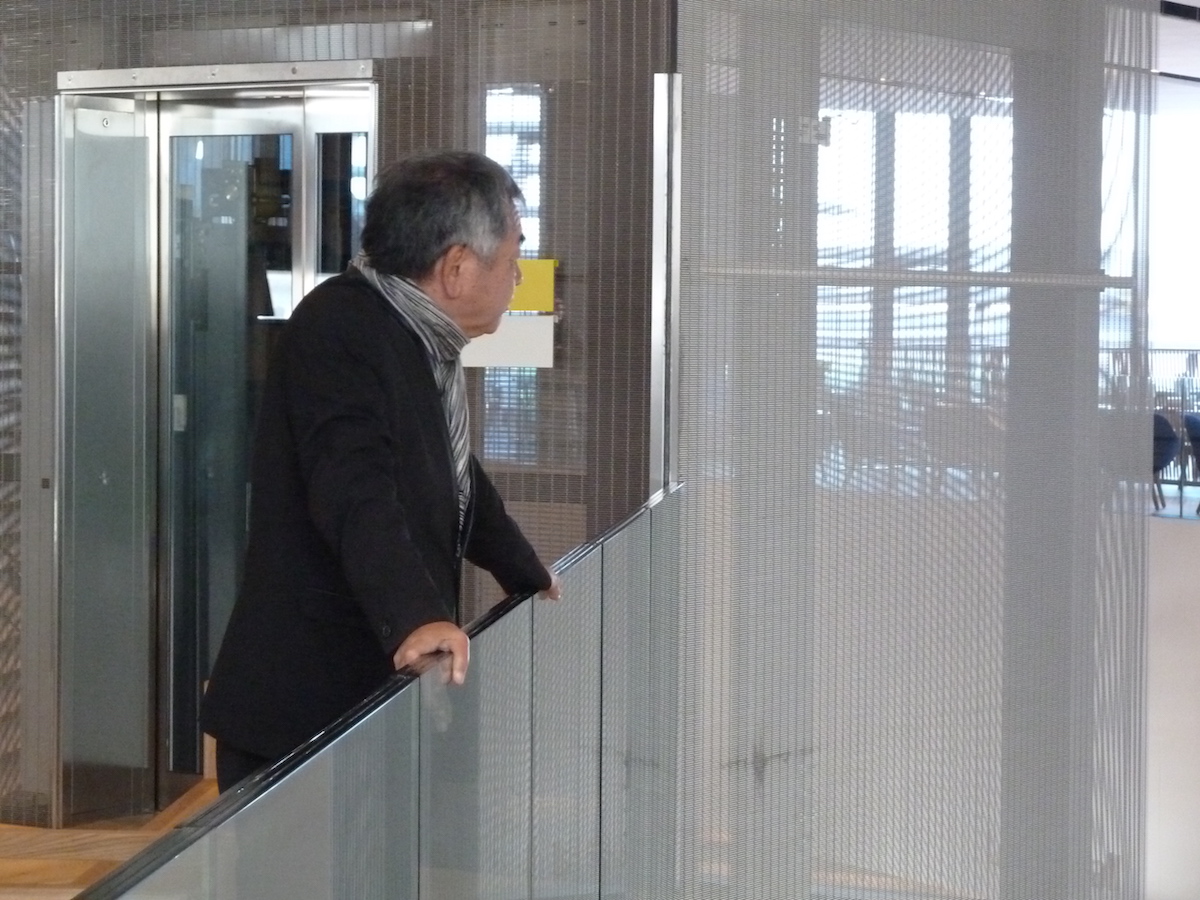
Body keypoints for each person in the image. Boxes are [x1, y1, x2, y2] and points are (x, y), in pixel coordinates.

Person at [200, 150, 560, 793]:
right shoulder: (340, 328)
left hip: (361, 702)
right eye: (511, 259)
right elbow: (352, 485)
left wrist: (519, 566)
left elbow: (449, 469)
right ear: (456, 266)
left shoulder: (410, 332)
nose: (517, 278)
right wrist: (417, 615)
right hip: (303, 710)